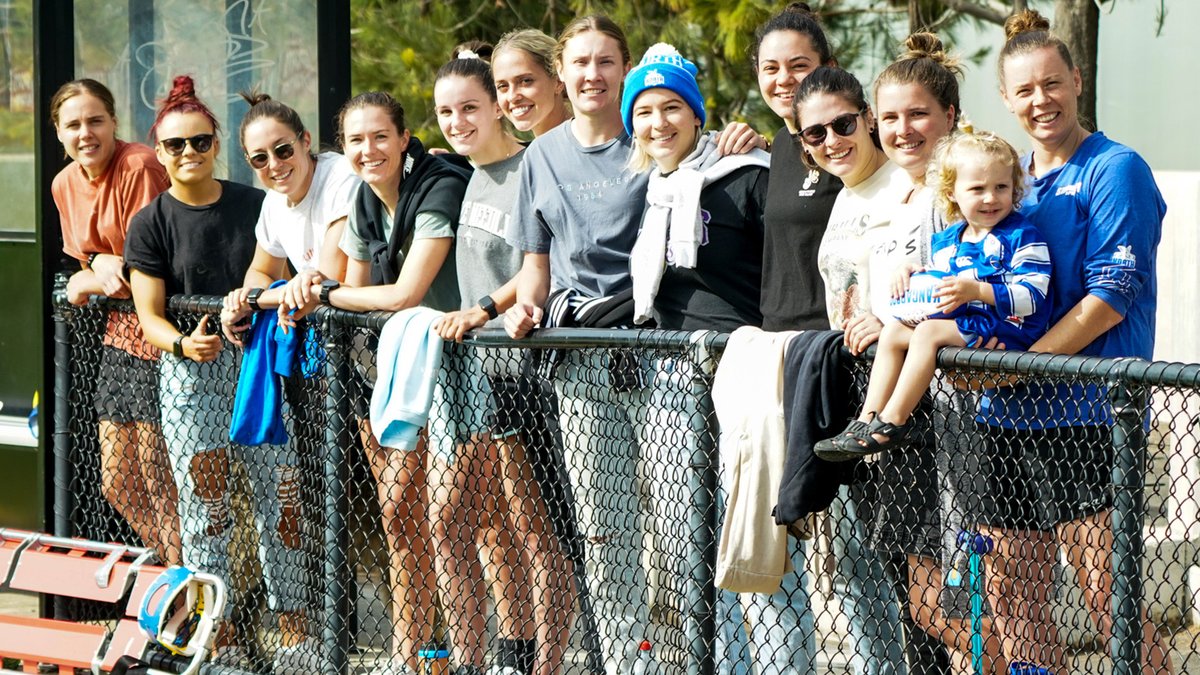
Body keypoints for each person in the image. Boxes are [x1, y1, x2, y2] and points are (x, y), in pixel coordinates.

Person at [503, 16, 762, 674]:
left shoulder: (656, 133)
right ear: (562, 74)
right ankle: (629, 664)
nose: (592, 74)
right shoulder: (541, 156)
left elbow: (720, 177)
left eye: (605, 62)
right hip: (580, 362)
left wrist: (747, 138)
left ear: (624, 70)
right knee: (604, 535)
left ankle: (719, 661)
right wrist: (524, 305)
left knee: (687, 529)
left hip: (662, 356)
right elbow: (536, 266)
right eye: (580, 62)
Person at [972, 10, 1171, 674]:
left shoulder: (1116, 169)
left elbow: (1111, 297)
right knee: (1013, 597)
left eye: (1052, 83)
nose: (1041, 100)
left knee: (1110, 601)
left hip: (1088, 414)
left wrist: (1021, 366)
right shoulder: (1010, 184)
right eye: (1025, 90)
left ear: (1078, 81)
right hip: (1004, 416)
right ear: (1006, 99)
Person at [124, 75, 310, 671]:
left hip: (257, 365)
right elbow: (149, 317)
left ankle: (297, 637)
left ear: (216, 144)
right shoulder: (150, 222)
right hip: (191, 375)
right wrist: (184, 344)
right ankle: (218, 640)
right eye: (176, 145)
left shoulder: (257, 203)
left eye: (200, 142)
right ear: (159, 152)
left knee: (282, 500)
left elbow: (283, 268)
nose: (189, 153)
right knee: (206, 512)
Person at [281, 90, 469, 675]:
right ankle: (412, 654)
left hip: (455, 369)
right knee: (399, 515)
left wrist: (326, 293)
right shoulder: (364, 196)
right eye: (356, 140)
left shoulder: (439, 186)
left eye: (381, 136)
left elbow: (403, 294)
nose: (369, 150)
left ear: (405, 138)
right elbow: (361, 291)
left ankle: (471, 654)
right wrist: (327, 290)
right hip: (385, 370)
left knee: (459, 521)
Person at [432, 39, 577, 675]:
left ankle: (543, 663)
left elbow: (538, 265)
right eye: (446, 112)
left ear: (496, 108)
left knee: (540, 533)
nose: (458, 122)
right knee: (470, 524)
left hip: (529, 376)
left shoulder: (530, 167)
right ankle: (498, 657)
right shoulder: (466, 175)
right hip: (480, 380)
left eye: (470, 108)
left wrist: (483, 310)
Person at [869, 34, 1006, 674]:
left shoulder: (956, 198)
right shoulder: (894, 195)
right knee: (927, 601)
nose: (903, 129)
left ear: (950, 115)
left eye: (918, 114)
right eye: (890, 117)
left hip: (953, 416)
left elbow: (951, 299)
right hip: (910, 414)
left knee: (969, 599)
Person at [818, 124, 1051, 460]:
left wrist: (979, 291)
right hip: (967, 324)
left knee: (927, 332)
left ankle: (893, 421)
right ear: (952, 192)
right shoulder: (948, 240)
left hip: (1009, 328)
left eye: (1001, 187)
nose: (990, 197)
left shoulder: (1022, 235)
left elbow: (1034, 296)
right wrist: (914, 272)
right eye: (977, 188)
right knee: (894, 331)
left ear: (1014, 188)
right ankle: (867, 419)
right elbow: (942, 281)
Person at [792, 62, 915, 674]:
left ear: (867, 118)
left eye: (842, 124)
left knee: (910, 574)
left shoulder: (905, 184)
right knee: (850, 567)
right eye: (814, 134)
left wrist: (885, 317)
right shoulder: (843, 194)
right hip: (847, 390)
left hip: (904, 395)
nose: (831, 141)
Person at [49, 78, 181, 565]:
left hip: (163, 333)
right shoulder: (64, 183)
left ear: (114, 123)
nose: (85, 133)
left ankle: (194, 592)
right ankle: (182, 575)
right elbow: (88, 263)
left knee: (160, 479)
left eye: (95, 121)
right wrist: (95, 267)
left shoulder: (138, 165)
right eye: (73, 125)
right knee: (119, 483)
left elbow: (141, 272)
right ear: (59, 133)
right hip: (119, 340)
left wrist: (93, 274)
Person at [219, 91, 358, 343]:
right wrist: (241, 301)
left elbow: (328, 279)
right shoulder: (274, 201)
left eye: (283, 150)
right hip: (330, 340)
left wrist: (251, 300)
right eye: (260, 158)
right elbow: (261, 271)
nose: (274, 164)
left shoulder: (342, 177)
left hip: (373, 330)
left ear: (305, 141)